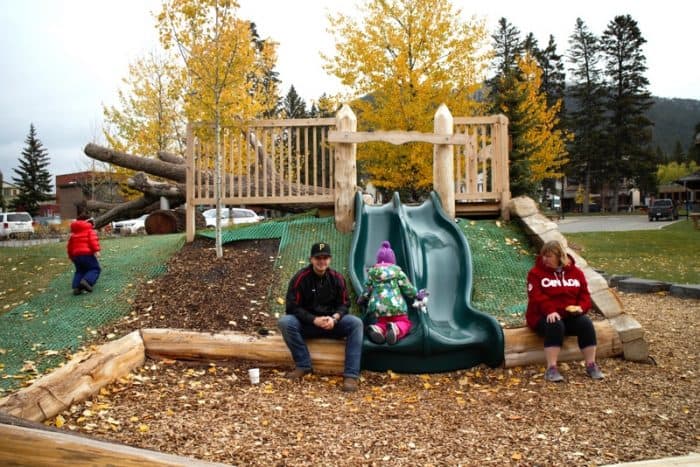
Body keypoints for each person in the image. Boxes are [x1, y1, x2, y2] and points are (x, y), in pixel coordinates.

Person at [278, 242, 364, 392]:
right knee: (286, 322)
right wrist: (313, 320)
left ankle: (351, 375)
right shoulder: (300, 278)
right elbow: (292, 307)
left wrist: (335, 318)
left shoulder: (337, 278)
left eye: (325, 257)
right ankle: (303, 365)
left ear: (330, 259)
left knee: (356, 323)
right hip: (308, 324)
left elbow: (345, 303)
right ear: (311, 259)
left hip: (332, 324)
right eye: (318, 258)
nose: (321, 261)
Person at [526, 240, 604, 382]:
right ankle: (551, 369)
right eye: (543, 256)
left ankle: (591, 364)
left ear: (559, 257)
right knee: (555, 324)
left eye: (549, 256)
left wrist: (581, 308)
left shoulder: (576, 273)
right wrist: (549, 310)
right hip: (542, 315)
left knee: (585, 323)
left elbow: (584, 295)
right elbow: (536, 296)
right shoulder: (535, 273)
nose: (545, 259)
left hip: (568, 315)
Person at [359, 241, 426, 345]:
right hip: (396, 305)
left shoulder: (372, 273)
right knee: (405, 323)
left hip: (378, 307)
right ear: (392, 261)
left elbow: (367, 289)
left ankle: (376, 328)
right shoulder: (397, 272)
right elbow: (407, 287)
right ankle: (396, 328)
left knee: (382, 322)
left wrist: (362, 298)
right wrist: (416, 295)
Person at [67, 215, 101, 295]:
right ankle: (86, 281)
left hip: (76, 256)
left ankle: (76, 287)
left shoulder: (74, 234)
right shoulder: (89, 230)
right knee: (95, 269)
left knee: (80, 271)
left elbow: (70, 247)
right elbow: (93, 240)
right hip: (87, 254)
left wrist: (72, 257)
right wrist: (96, 251)